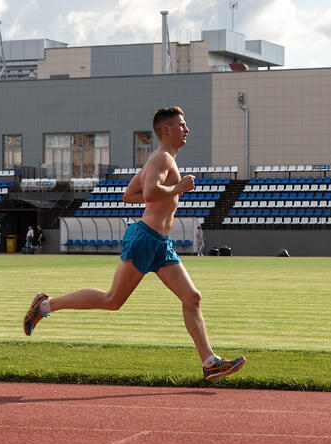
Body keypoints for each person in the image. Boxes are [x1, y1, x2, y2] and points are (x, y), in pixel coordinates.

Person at [23, 106, 245, 381]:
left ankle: (209, 362)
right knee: (112, 300)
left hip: (161, 243)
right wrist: (179, 188)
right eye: (182, 125)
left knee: (192, 297)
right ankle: (45, 305)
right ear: (167, 130)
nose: (186, 130)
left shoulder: (159, 160)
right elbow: (150, 192)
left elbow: (130, 195)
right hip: (145, 239)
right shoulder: (162, 159)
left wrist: (168, 192)